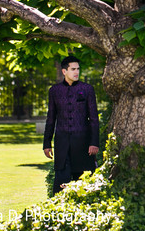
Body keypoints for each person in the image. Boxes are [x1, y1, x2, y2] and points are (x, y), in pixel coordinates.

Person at [43, 55, 99, 194]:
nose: (76, 72)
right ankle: (59, 212)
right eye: (73, 69)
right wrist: (46, 143)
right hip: (62, 143)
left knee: (84, 183)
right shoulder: (54, 91)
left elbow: (93, 118)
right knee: (61, 183)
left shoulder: (87, 89)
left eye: (78, 69)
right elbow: (51, 118)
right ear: (64, 71)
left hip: (83, 144)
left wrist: (94, 142)